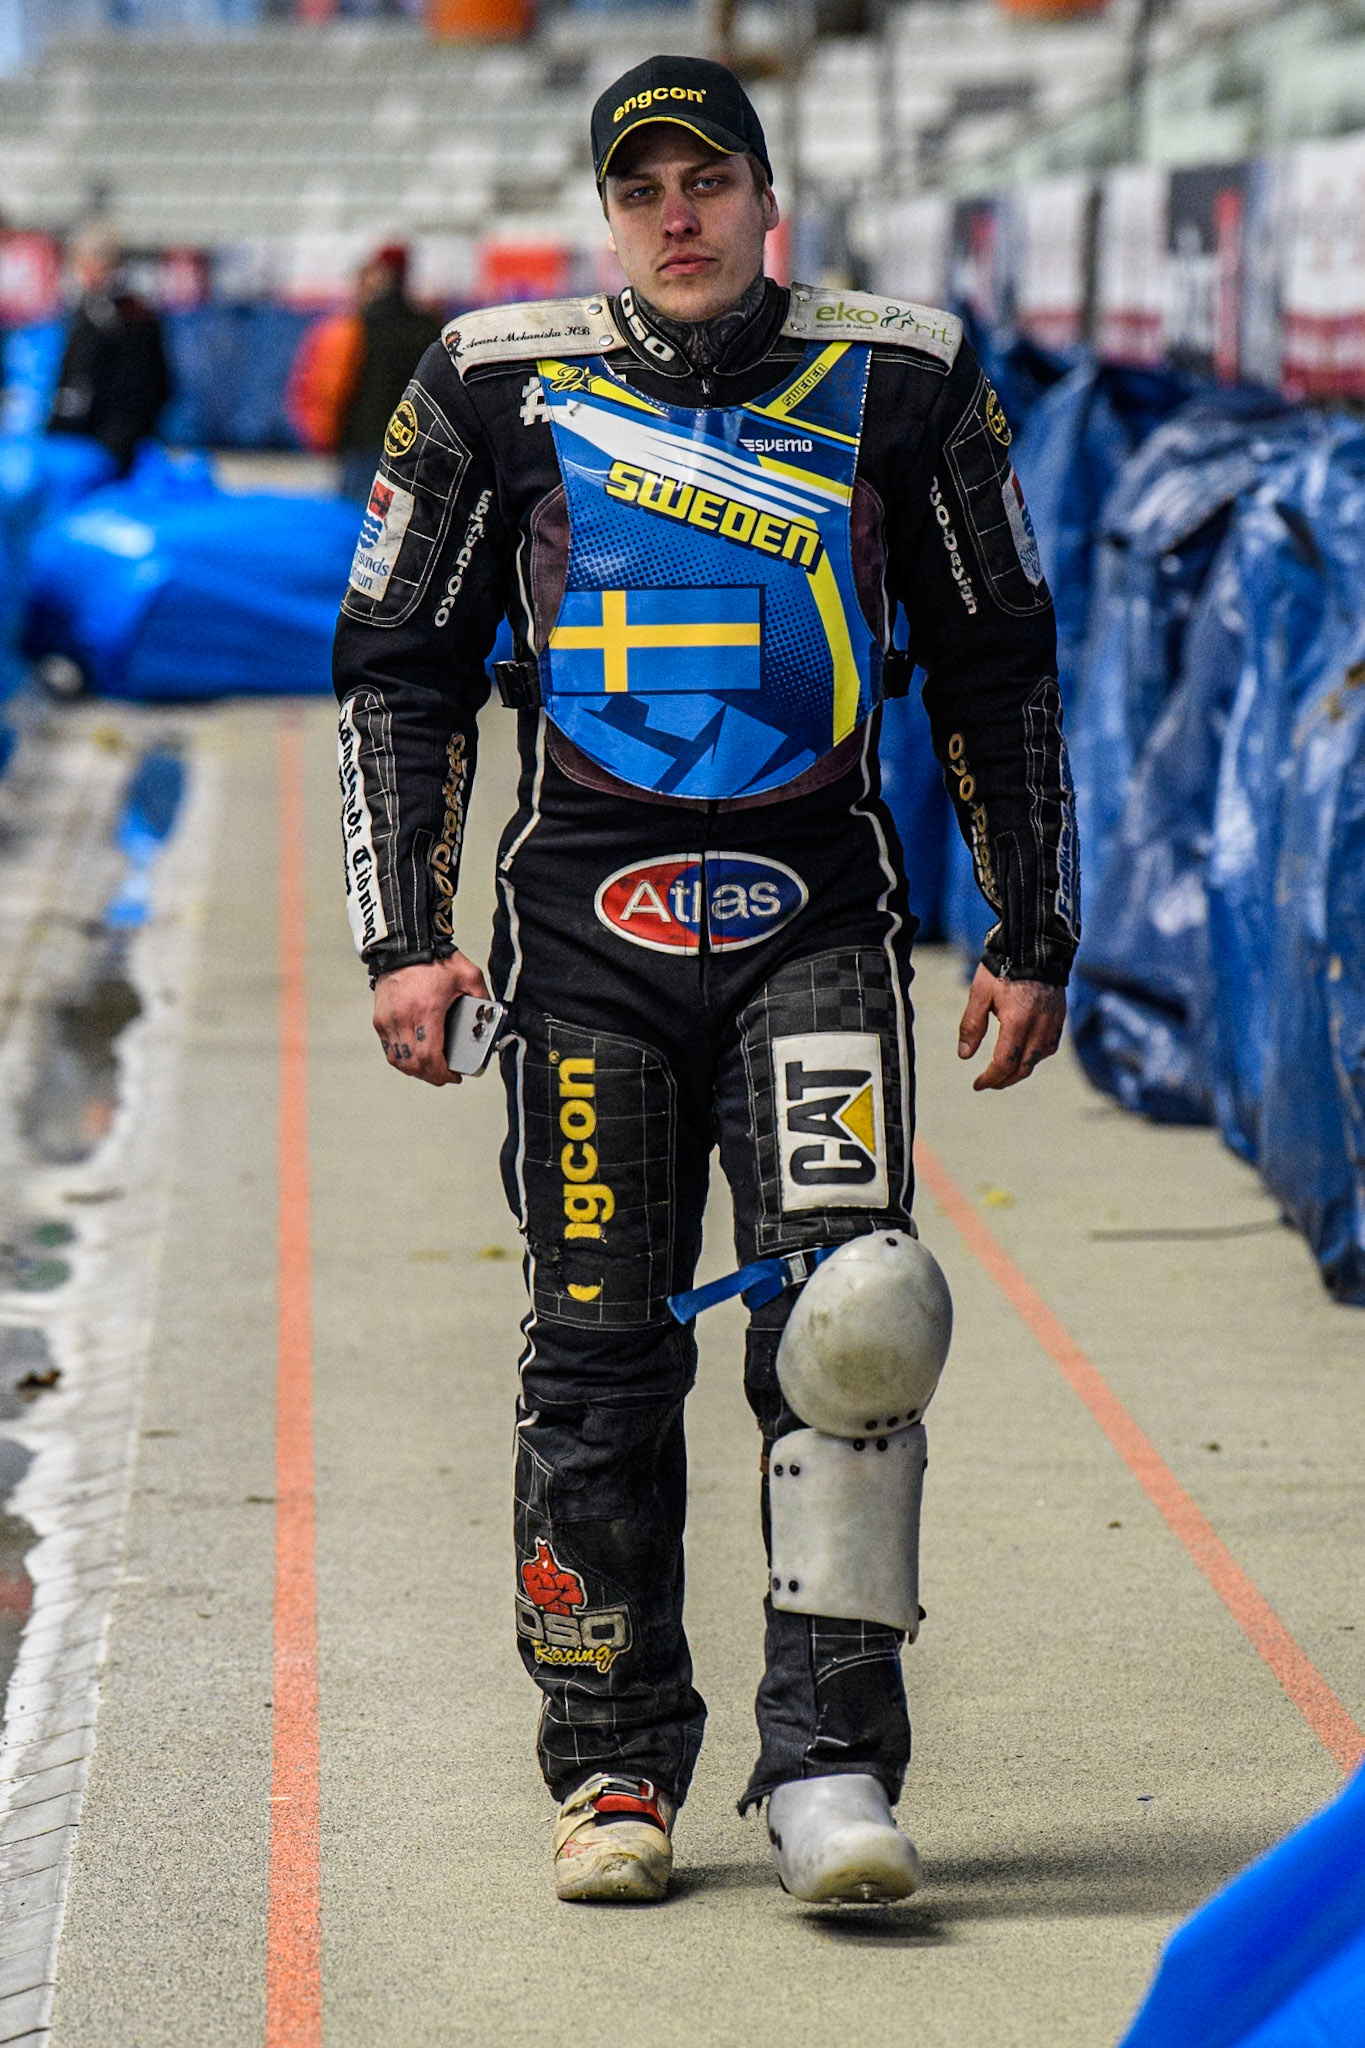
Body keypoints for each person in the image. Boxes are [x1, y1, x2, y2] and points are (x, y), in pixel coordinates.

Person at [333, 54, 1078, 1907]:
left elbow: (1001, 657)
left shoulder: (906, 375)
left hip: (820, 919)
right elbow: (395, 668)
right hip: (582, 946)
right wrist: (404, 937)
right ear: (607, 213)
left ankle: (830, 1761)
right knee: (595, 1360)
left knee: (857, 1333)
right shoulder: (490, 382)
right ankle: (608, 1769)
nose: (678, 214)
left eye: (708, 180)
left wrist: (1032, 922)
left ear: (765, 198)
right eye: (643, 185)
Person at [287, 243, 444, 501]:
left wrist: (324, 433)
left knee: (357, 522)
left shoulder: (355, 326)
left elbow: (331, 387)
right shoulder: (429, 325)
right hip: (415, 444)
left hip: (362, 444)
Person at [47, 224, 171, 475]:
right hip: (128, 440)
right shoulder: (140, 313)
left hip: (102, 446)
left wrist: (58, 434)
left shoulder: (102, 318)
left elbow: (78, 387)